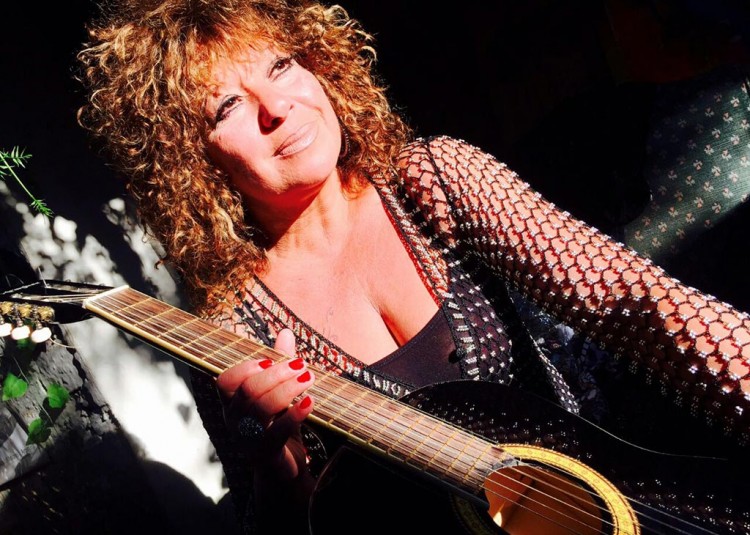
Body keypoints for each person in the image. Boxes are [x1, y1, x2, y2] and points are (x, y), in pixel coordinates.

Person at [75, 0, 750, 532]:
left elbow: (632, 300)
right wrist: (275, 471)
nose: (277, 108)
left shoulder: (434, 181)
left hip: (627, 506)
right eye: (228, 106)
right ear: (193, 161)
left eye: (280, 66)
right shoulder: (229, 333)